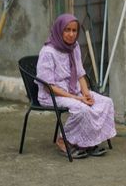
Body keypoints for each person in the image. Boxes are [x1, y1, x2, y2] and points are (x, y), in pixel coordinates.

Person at [36, 13, 116, 159]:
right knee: (82, 109)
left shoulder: (74, 47)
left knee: (106, 102)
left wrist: (86, 94)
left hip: (74, 91)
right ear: (59, 30)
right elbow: (48, 87)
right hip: (52, 95)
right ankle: (63, 140)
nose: (71, 34)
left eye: (74, 31)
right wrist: (78, 99)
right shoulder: (48, 53)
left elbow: (80, 74)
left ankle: (88, 142)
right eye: (67, 30)